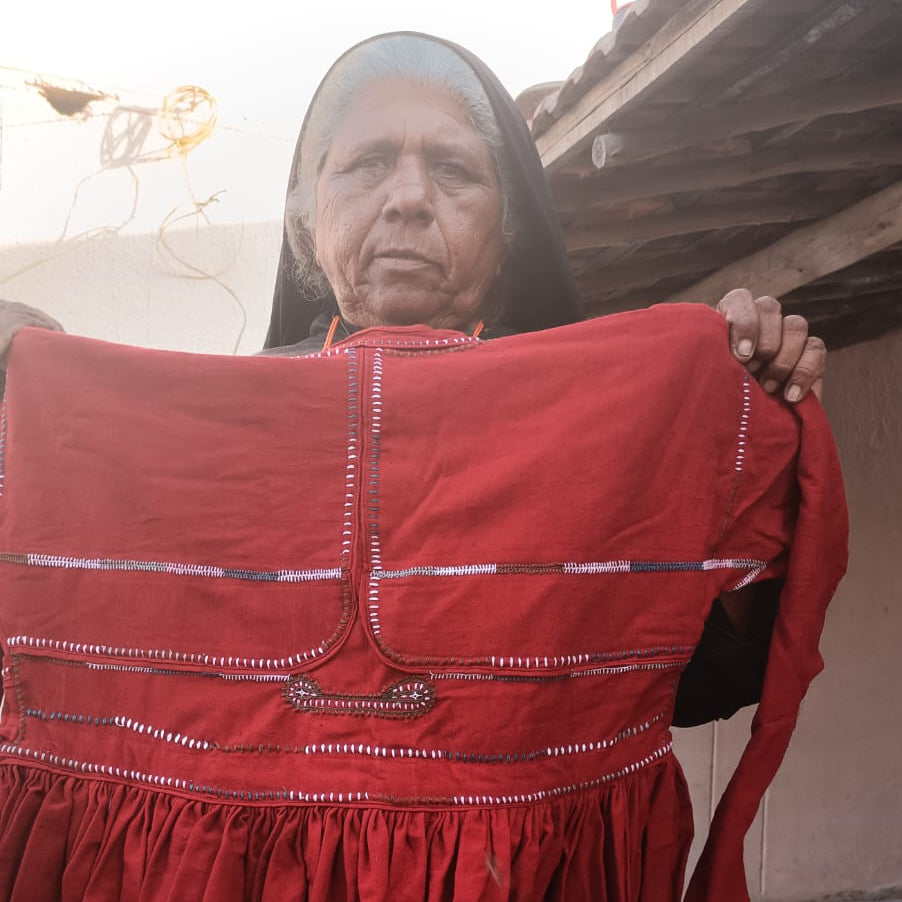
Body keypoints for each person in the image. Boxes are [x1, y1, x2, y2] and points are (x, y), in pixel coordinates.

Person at [0, 33, 844, 902]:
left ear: (509, 225)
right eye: (366, 164)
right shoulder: (182, 446)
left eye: (454, 170)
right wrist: (31, 407)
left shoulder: (616, 433)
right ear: (303, 213)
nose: (407, 198)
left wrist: (735, 416)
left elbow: (697, 683)